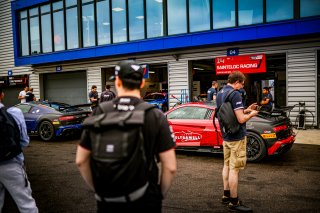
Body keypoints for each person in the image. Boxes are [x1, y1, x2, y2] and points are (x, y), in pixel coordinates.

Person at [76, 60, 177, 213]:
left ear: (117, 81)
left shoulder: (100, 112)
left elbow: (81, 160)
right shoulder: (154, 115)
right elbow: (170, 167)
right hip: (145, 201)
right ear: (142, 83)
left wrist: (99, 190)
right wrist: (158, 196)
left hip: (107, 202)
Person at [216, 71, 258, 212]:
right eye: (242, 84)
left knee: (226, 165)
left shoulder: (221, 93)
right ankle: (234, 202)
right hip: (237, 138)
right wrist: (251, 114)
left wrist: (246, 109)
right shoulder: (235, 94)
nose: (242, 86)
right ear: (237, 82)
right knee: (235, 169)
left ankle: (226, 195)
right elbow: (240, 119)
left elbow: (231, 113)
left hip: (226, 136)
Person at [0, 87, 38, 213]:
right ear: (2, 95)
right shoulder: (13, 112)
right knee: (26, 205)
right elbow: (24, 141)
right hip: (10, 163)